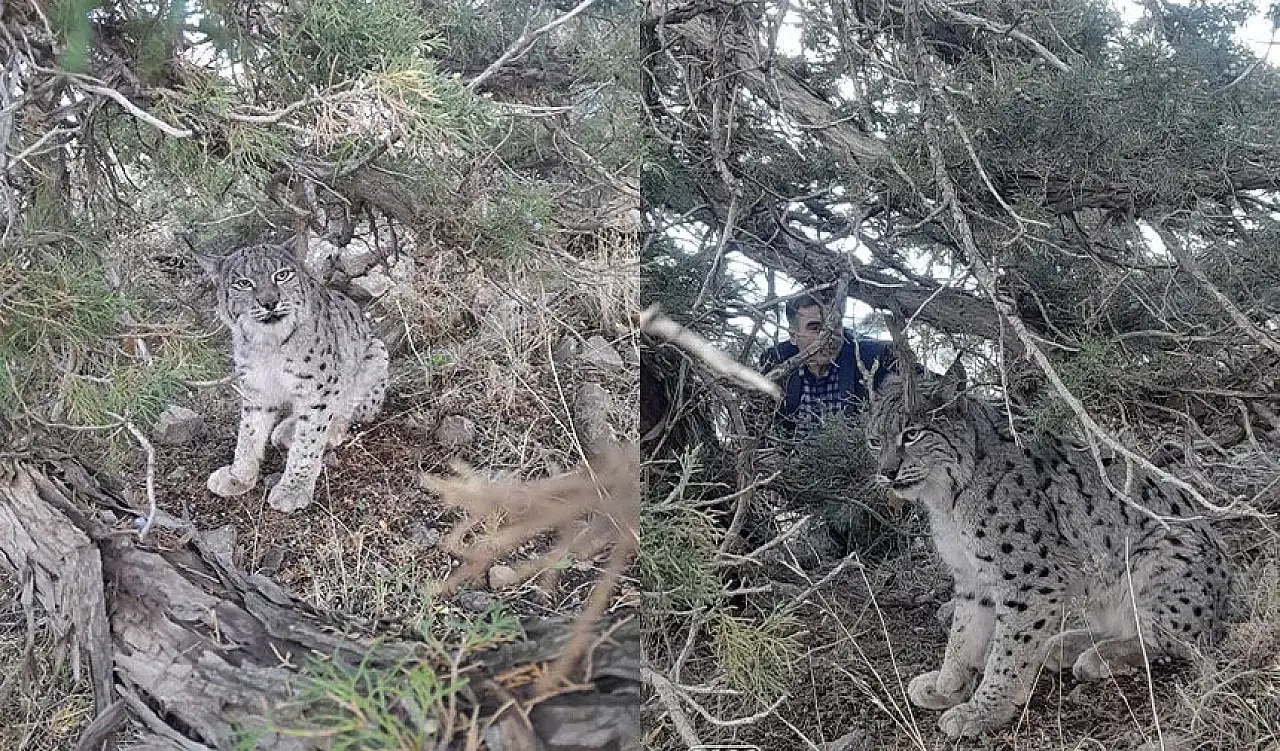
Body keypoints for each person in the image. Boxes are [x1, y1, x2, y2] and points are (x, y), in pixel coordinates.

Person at [758, 292, 897, 435]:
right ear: (793, 336)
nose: (827, 336)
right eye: (815, 328)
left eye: (835, 325)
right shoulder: (775, 363)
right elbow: (756, 428)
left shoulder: (874, 358)